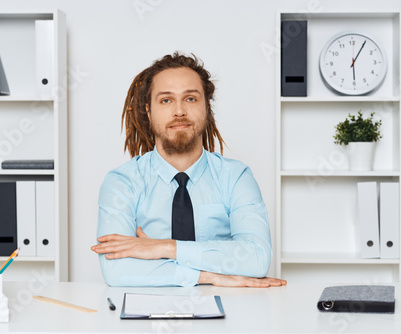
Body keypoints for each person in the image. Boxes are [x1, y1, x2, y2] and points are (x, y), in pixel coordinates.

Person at [91, 52, 286, 288]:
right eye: (166, 100)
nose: (179, 111)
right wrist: (209, 277)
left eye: (191, 99)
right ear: (149, 111)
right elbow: (117, 270)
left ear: (207, 108)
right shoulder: (122, 182)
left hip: (230, 314)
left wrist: (164, 247)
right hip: (145, 314)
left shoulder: (236, 177)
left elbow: (256, 259)